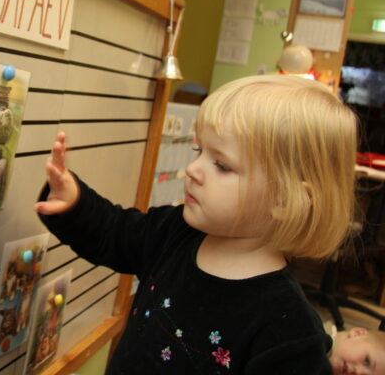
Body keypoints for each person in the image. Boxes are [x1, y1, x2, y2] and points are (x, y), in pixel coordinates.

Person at [35, 75, 358, 374]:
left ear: (285, 200)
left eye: (221, 165)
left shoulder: (290, 333)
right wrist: (73, 201)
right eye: (198, 150)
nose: (193, 169)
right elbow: (113, 232)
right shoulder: (175, 233)